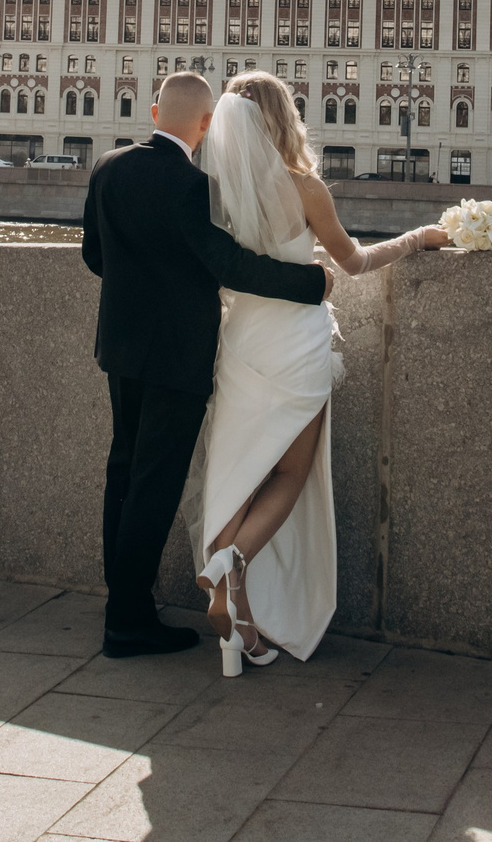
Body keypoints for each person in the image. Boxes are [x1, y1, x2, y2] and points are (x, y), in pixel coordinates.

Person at [192, 72, 447, 674]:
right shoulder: (304, 187)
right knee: (290, 471)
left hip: (243, 341)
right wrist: (415, 238)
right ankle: (233, 560)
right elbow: (354, 263)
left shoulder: (216, 190)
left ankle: (240, 624)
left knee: (238, 469)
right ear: (283, 118)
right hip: (297, 343)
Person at [80, 70, 333, 659]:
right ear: (205, 125)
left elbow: (96, 255)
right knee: (154, 484)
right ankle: (128, 624)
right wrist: (314, 281)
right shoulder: (192, 185)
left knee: (122, 474)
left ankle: (123, 603)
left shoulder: (108, 167)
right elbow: (231, 266)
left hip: (120, 348)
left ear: (152, 113)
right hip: (176, 356)